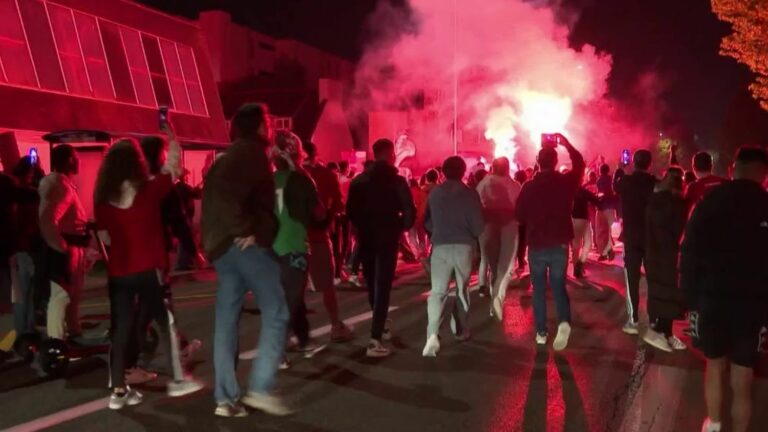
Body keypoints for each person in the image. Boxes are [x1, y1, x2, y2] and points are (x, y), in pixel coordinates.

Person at [94, 135, 203, 410]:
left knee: (122, 330)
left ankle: (118, 390)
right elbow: (173, 167)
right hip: (149, 269)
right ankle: (178, 378)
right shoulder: (149, 191)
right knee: (164, 322)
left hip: (119, 273)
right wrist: (173, 137)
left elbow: (105, 238)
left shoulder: (103, 200)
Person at [202, 103, 292, 417]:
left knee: (227, 321)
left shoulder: (225, 157)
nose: (270, 128)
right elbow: (254, 203)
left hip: (221, 249)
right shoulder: (252, 154)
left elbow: (213, 200)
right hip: (244, 245)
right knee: (277, 309)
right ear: (258, 127)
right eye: (267, 122)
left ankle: (225, 399)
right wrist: (249, 230)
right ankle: (262, 387)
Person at [681, 147, 768, 432]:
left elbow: (689, 250)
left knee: (714, 365)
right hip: (753, 305)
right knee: (743, 377)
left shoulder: (710, 201)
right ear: (763, 176)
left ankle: (714, 424)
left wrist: (689, 300)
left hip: (711, 299)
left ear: (733, 168)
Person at [515, 134, 584, 351]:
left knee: (538, 290)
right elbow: (580, 163)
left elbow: (519, 215)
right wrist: (566, 144)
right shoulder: (565, 182)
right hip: (560, 243)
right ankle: (563, 321)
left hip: (537, 244)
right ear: (556, 162)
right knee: (558, 286)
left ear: (537, 161)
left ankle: (542, 332)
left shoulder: (528, 186)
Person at [347, 139, 415, 357]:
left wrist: (361, 228)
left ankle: (380, 325)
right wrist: (400, 226)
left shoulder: (359, 181)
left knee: (371, 282)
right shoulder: (396, 182)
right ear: (389, 154)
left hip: (366, 237)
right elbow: (409, 211)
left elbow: (351, 211)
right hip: (387, 237)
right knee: (382, 284)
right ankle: (374, 339)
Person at [422, 156, 484, 356]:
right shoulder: (470, 194)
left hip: (440, 246)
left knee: (437, 291)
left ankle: (432, 333)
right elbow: (478, 225)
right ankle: (459, 329)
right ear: (463, 171)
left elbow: (427, 221)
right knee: (461, 289)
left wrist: (437, 231)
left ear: (443, 172)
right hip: (463, 246)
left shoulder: (435, 193)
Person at [271, 130, 324, 359]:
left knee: (287, 297)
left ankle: (302, 340)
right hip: (294, 246)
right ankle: (278, 350)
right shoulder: (302, 181)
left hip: (270, 249)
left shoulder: (269, 180)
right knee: (290, 299)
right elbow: (320, 214)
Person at [302, 142, 353, 342]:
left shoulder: (281, 176)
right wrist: (329, 216)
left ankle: (287, 334)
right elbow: (339, 204)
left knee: (292, 290)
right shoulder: (325, 175)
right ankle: (335, 325)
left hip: (290, 240)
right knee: (327, 286)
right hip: (318, 237)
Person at [39, 144, 88, 341]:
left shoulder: (60, 184)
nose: (79, 161)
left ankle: (71, 331)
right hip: (67, 248)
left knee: (70, 294)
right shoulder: (61, 187)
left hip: (69, 246)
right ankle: (56, 340)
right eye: (76, 157)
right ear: (69, 160)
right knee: (62, 295)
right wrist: (61, 246)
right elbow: (48, 218)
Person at [642, 167, 687, 352]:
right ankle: (665, 332)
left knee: (656, 289)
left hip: (653, 252)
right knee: (669, 291)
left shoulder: (653, 201)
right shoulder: (679, 204)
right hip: (670, 254)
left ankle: (658, 329)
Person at [614, 149, 656, 335]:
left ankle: (634, 320)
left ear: (634, 162)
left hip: (631, 236)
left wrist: (620, 168)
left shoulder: (626, 182)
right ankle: (655, 318)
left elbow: (615, 185)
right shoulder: (655, 183)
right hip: (651, 236)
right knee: (654, 278)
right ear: (650, 164)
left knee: (632, 279)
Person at [476, 157, 521, 320]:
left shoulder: (483, 183)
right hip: (508, 225)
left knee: (493, 265)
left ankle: (494, 298)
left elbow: (477, 203)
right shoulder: (514, 185)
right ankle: (497, 298)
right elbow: (519, 206)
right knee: (507, 266)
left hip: (487, 225)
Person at [10, 157, 43, 337]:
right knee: (26, 292)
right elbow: (33, 222)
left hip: (18, 248)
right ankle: (25, 329)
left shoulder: (12, 193)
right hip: (27, 247)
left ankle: (24, 329)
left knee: (21, 292)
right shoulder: (29, 195)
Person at [571, 182, 600, 278]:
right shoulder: (583, 191)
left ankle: (576, 268)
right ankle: (579, 264)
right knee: (588, 244)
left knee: (576, 246)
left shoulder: (569, 191)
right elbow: (595, 200)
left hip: (573, 219)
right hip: (583, 219)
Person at [684, 151, 725, 216]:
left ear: (694, 167)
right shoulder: (724, 183)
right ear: (711, 166)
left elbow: (686, 212)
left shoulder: (692, 188)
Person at [595, 164, 617, 261]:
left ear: (600, 171)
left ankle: (604, 253)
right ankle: (608, 250)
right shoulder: (612, 179)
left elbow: (601, 193)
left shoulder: (600, 181)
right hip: (611, 207)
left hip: (602, 207)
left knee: (600, 231)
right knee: (608, 232)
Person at [513, 169, 528, 272]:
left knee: (515, 241)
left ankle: (514, 262)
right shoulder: (526, 187)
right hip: (523, 219)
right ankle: (521, 262)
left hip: (514, 218)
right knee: (522, 242)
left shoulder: (514, 186)